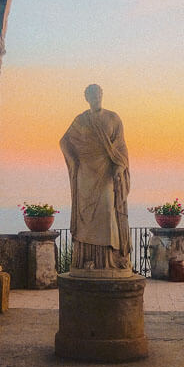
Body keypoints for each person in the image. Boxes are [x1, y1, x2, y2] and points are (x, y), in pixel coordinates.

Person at [60, 85, 131, 270]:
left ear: (102, 95)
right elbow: (64, 141)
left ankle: (108, 260)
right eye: (92, 95)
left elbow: (121, 146)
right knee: (86, 217)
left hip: (106, 171)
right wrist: (74, 161)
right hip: (85, 173)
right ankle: (87, 259)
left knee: (107, 211)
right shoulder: (81, 120)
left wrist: (119, 166)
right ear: (86, 98)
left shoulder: (112, 118)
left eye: (98, 94)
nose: (95, 98)